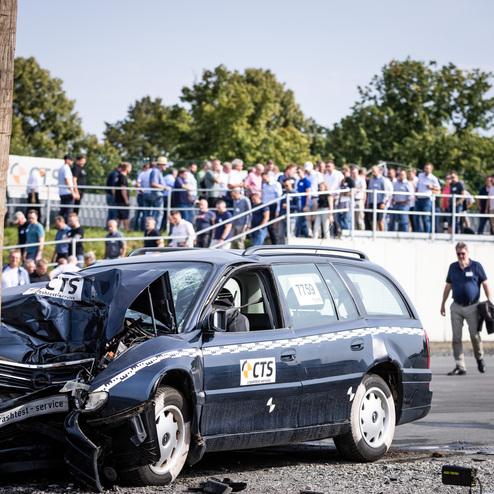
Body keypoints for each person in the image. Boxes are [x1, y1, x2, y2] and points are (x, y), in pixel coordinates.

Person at [440, 242, 492, 375]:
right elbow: (448, 286)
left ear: (467, 253)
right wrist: (443, 303)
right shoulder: (453, 267)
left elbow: (485, 284)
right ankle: (460, 366)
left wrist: (489, 300)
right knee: (456, 337)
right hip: (456, 306)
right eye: (458, 254)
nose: (461, 256)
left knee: (474, 335)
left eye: (463, 253)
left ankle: (479, 358)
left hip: (473, 306)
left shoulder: (476, 266)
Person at [415, 163, 440, 233]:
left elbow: (438, 189)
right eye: (425, 168)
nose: (426, 170)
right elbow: (417, 185)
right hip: (419, 198)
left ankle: (427, 234)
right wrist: (415, 193)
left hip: (427, 199)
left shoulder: (433, 178)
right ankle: (418, 233)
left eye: (428, 168)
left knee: (426, 218)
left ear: (431, 169)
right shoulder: (420, 175)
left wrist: (432, 187)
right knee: (416, 217)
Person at [261, 172, 282, 244]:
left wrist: (278, 209)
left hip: (274, 206)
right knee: (268, 226)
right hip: (266, 206)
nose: (264, 180)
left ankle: (275, 243)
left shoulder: (276, 184)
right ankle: (270, 241)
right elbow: (264, 196)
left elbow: (279, 198)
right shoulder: (264, 185)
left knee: (272, 226)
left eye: (265, 178)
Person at [366, 165, 387, 232]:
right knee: (372, 220)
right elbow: (369, 192)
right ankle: (375, 233)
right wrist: (368, 203)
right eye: (372, 171)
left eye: (374, 171)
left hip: (379, 203)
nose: (373, 172)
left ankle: (382, 234)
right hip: (372, 202)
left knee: (380, 220)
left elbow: (386, 192)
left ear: (378, 171)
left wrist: (383, 202)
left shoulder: (382, 180)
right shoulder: (371, 180)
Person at [336, 165, 355, 231]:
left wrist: (344, 193)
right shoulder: (342, 180)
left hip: (348, 201)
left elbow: (353, 191)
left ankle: (348, 232)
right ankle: (343, 232)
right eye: (343, 172)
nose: (344, 173)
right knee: (340, 218)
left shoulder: (350, 180)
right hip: (342, 201)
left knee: (347, 218)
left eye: (345, 171)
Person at [114, 162, 132, 230]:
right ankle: (127, 230)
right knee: (125, 216)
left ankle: (115, 229)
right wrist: (126, 200)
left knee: (119, 217)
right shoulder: (123, 177)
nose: (131, 169)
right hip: (122, 200)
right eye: (130, 168)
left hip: (118, 199)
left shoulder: (118, 176)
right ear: (127, 168)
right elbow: (123, 189)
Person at [295, 167, 311, 238]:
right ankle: (300, 234)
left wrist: (306, 205)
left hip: (304, 203)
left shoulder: (306, 181)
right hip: (300, 203)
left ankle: (307, 234)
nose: (298, 174)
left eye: (299, 172)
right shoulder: (299, 181)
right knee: (300, 220)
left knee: (305, 220)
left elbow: (308, 193)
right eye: (297, 172)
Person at [58, 154, 75, 220]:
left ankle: (59, 223)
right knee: (69, 212)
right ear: (67, 160)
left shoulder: (61, 168)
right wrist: (72, 192)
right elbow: (67, 180)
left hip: (62, 192)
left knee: (62, 211)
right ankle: (67, 224)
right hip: (67, 192)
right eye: (71, 160)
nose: (72, 162)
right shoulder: (66, 168)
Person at [135, 162, 151, 230]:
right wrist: (141, 190)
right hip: (141, 195)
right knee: (143, 212)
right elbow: (137, 184)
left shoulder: (143, 174)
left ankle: (140, 227)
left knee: (142, 212)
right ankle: (140, 227)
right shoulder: (142, 174)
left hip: (142, 195)